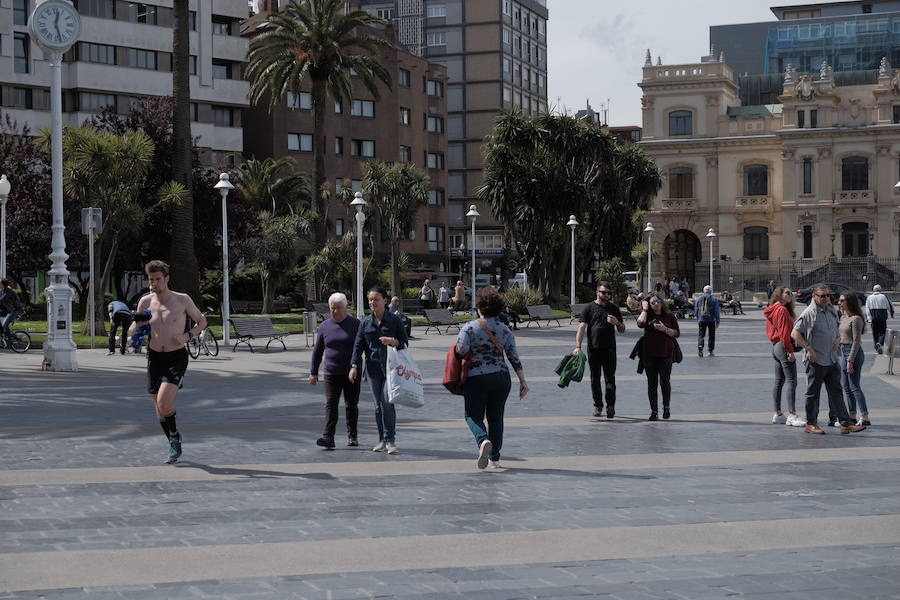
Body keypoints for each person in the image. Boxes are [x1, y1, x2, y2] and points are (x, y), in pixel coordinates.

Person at [130, 260, 207, 463]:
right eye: (151, 279)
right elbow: (133, 329)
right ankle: (173, 438)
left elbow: (202, 321)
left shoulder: (182, 300)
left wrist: (187, 336)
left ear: (167, 279)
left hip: (176, 356)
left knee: (165, 403)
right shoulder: (145, 302)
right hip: (154, 357)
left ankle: (174, 438)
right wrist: (136, 327)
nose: (154, 283)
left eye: (158, 279)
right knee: (158, 406)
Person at [455, 288, 527, 469]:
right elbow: (513, 357)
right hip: (501, 378)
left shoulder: (469, 328)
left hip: (476, 378)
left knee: (472, 415)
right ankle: (495, 458)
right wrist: (523, 381)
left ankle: (483, 440)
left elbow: (461, 350)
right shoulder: (504, 330)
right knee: (496, 418)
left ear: (479, 307)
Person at [792, 284, 865, 435]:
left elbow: (837, 329)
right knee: (813, 394)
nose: (826, 299)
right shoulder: (808, 313)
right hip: (816, 360)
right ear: (814, 297)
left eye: (828, 296)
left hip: (831, 359)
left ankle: (845, 423)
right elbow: (795, 333)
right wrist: (809, 348)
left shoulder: (831, 310)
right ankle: (811, 423)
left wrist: (838, 339)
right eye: (822, 296)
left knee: (837, 392)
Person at [349, 287, 408, 454]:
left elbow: (404, 342)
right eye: (370, 300)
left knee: (387, 403)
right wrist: (354, 366)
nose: (372, 302)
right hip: (373, 368)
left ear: (385, 301)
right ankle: (381, 440)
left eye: (376, 299)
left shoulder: (394, 321)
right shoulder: (365, 323)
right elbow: (358, 346)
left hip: (391, 369)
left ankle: (390, 441)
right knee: (377, 406)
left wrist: (393, 341)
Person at [309, 292, 361, 449]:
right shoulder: (325, 326)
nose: (336, 311)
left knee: (351, 405)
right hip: (331, 372)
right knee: (331, 404)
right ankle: (328, 437)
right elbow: (317, 351)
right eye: (333, 308)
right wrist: (313, 372)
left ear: (346, 308)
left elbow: (360, 349)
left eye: (339, 307)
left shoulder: (356, 324)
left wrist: (356, 366)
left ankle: (352, 436)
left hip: (351, 372)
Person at [573, 281, 625, 418]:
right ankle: (598, 405)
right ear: (597, 292)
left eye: (609, 293)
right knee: (594, 379)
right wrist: (578, 346)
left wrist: (617, 323)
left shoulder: (614, 308)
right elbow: (582, 328)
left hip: (609, 349)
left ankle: (610, 406)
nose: (606, 295)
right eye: (604, 292)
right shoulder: (589, 308)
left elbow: (622, 329)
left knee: (610, 379)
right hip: (593, 349)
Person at [636, 292, 680, 420]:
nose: (657, 305)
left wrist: (665, 329)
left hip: (666, 354)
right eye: (653, 303)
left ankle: (666, 408)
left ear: (662, 303)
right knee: (652, 384)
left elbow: (677, 333)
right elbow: (639, 324)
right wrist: (644, 309)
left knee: (665, 382)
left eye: (658, 302)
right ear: (649, 305)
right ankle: (654, 411)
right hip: (649, 355)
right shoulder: (647, 316)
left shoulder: (669, 316)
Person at [764, 286, 803, 427]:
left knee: (779, 381)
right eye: (787, 293)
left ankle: (778, 414)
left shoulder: (772, 309)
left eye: (791, 293)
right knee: (792, 381)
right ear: (779, 294)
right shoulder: (781, 310)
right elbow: (784, 333)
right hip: (782, 346)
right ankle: (792, 415)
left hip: (775, 347)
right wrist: (790, 351)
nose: (790, 295)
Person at [838, 292, 870, 427]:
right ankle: (852, 416)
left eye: (842, 300)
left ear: (849, 302)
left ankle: (865, 416)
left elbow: (857, 341)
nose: (839, 303)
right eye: (839, 300)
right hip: (843, 351)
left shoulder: (856, 319)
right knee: (846, 387)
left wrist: (850, 360)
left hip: (853, 353)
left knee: (854, 386)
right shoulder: (844, 317)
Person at [865, 284, 894, 354]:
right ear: (880, 290)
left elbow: (867, 308)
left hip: (873, 317)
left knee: (875, 332)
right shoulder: (883, 296)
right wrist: (892, 313)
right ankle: (880, 343)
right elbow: (889, 305)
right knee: (883, 332)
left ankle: (877, 345)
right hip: (882, 317)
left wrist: (869, 318)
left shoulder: (869, 297)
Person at [694, 285, 720, 357]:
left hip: (702, 319)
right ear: (711, 291)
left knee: (701, 334)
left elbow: (696, 309)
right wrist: (717, 321)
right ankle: (710, 350)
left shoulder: (699, 298)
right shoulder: (714, 299)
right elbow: (716, 311)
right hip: (711, 320)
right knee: (711, 335)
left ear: (703, 291)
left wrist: (698, 318)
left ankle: (700, 345)